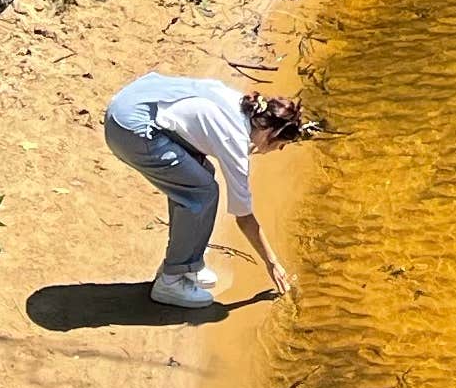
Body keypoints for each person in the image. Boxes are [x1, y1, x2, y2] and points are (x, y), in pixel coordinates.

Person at [102, 73, 312, 313]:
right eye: (279, 146)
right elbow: (244, 217)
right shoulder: (234, 138)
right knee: (201, 192)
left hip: (130, 104)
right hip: (130, 129)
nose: (276, 151)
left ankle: (186, 265)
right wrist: (272, 263)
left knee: (200, 173)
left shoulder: (239, 104)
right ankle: (170, 282)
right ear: (270, 134)